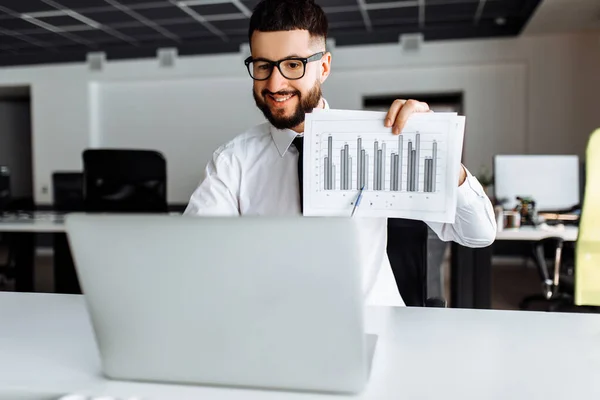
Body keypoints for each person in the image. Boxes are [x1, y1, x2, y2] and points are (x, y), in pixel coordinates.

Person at [184, 0, 496, 306]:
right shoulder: (232, 162)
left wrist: (437, 151)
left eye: (293, 64)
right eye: (263, 65)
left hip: (374, 327)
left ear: (323, 66)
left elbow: (478, 233)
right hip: (276, 331)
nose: (275, 82)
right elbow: (191, 257)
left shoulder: (382, 141)